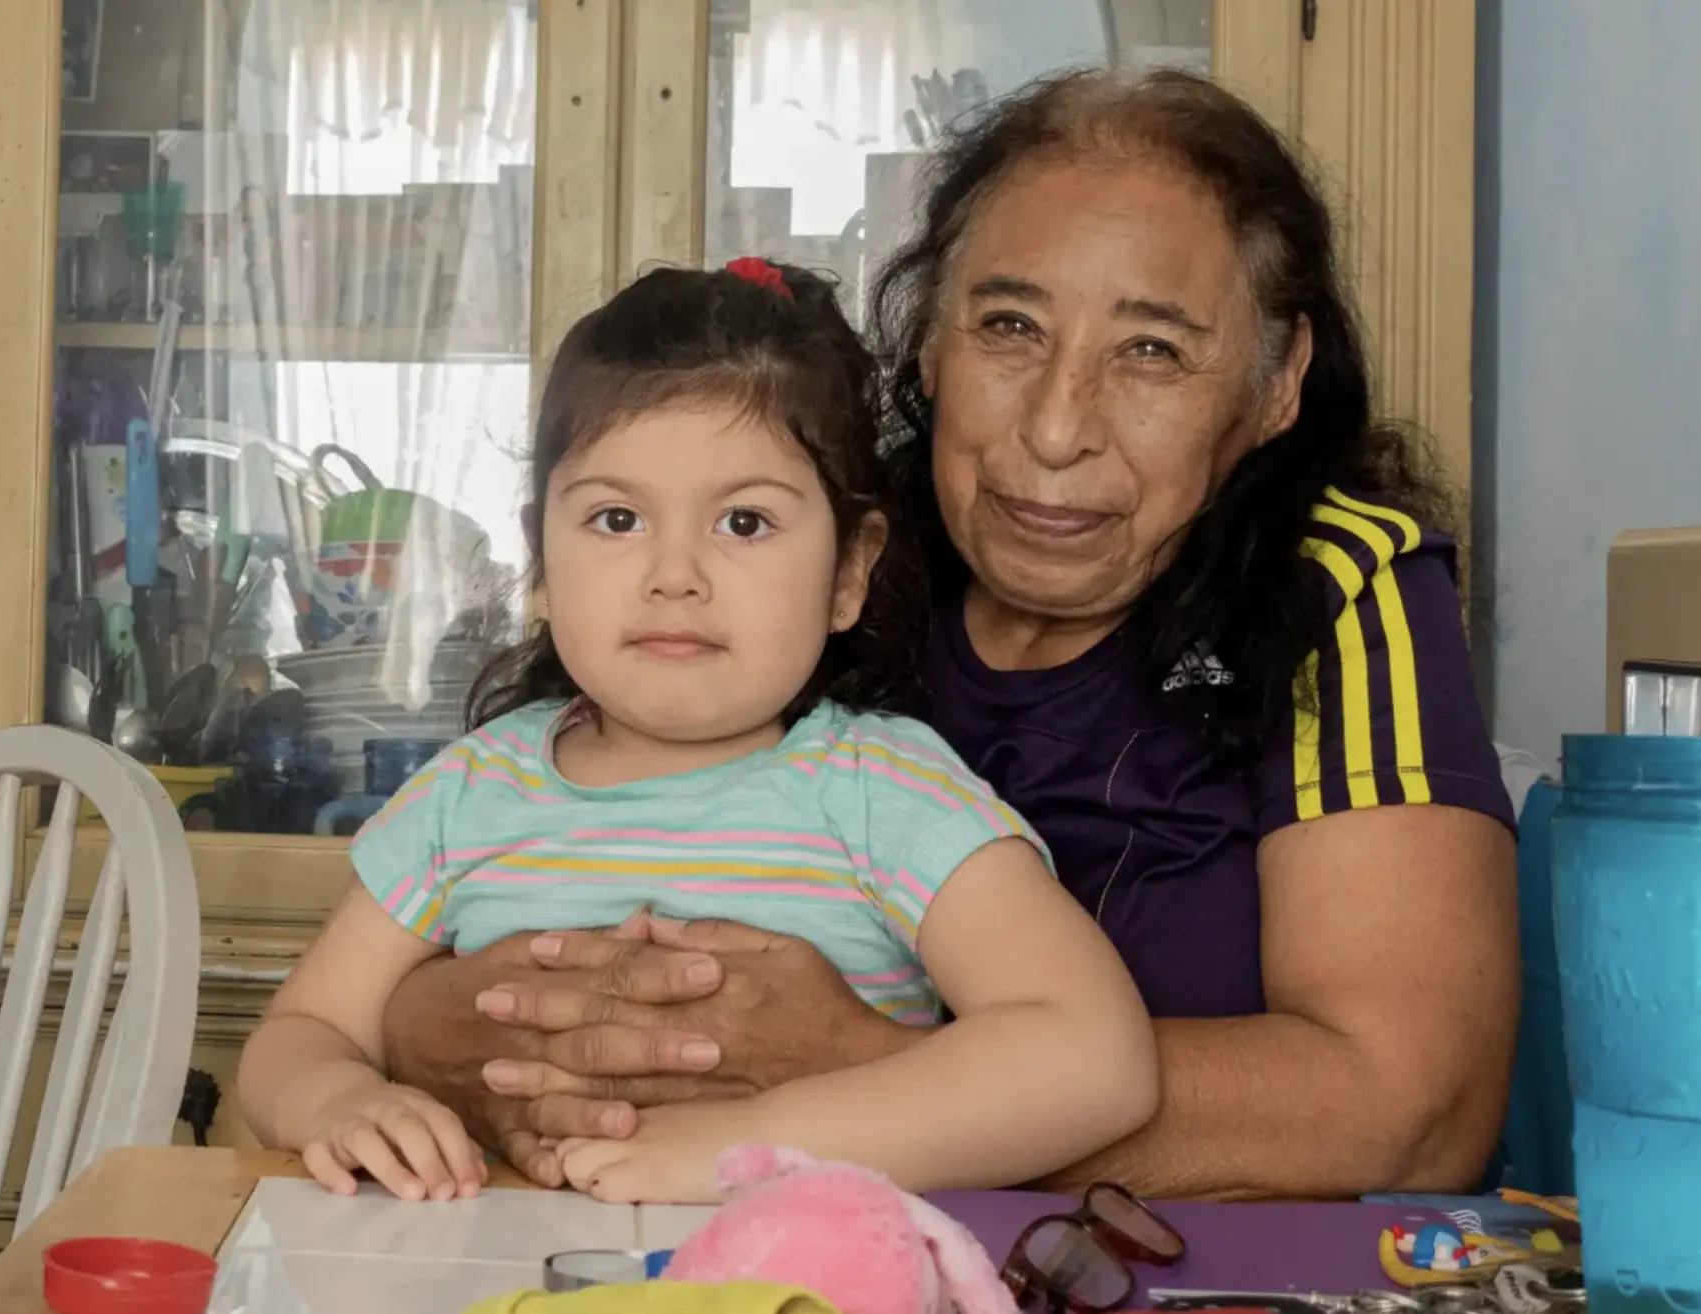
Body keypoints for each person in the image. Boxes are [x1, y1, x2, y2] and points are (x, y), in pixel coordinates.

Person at [372, 69, 1521, 1201]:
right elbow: (522, 845)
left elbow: (1409, 1115)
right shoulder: (800, 551)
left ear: (1275, 388)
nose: (1057, 428)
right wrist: (435, 1022)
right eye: (1008, 327)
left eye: (1153, 351)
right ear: (926, 343)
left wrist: (864, 1075)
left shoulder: (1329, 581)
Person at [237, 258, 1161, 1205]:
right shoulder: (470, 794)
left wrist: (756, 1141)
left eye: (746, 522)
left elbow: (1094, 1060)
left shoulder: (886, 792)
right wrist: (341, 1099)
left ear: (851, 569)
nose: (674, 572)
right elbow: (300, 1033)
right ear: (542, 565)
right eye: (617, 517)